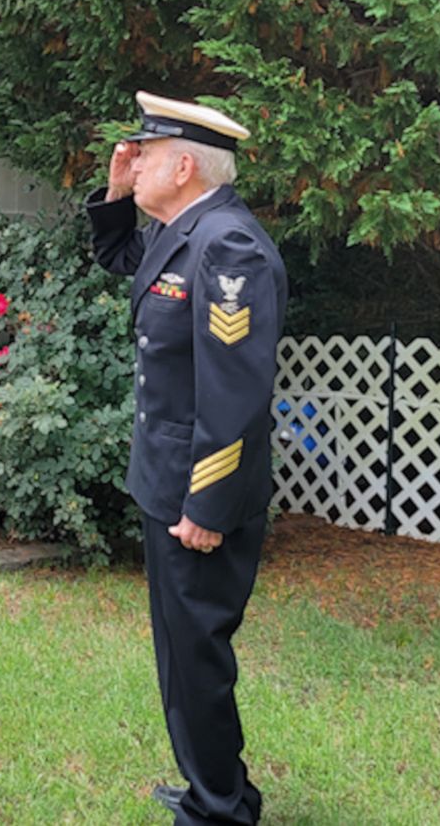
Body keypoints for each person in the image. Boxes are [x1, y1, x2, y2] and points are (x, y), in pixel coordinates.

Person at [87, 92, 287, 825]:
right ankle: (216, 787)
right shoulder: (183, 234)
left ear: (184, 163)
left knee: (196, 654)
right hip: (166, 483)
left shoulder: (227, 248)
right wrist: (115, 192)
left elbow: (234, 396)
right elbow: (117, 256)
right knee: (181, 651)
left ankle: (219, 810)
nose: (132, 160)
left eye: (143, 152)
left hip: (197, 496)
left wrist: (205, 506)